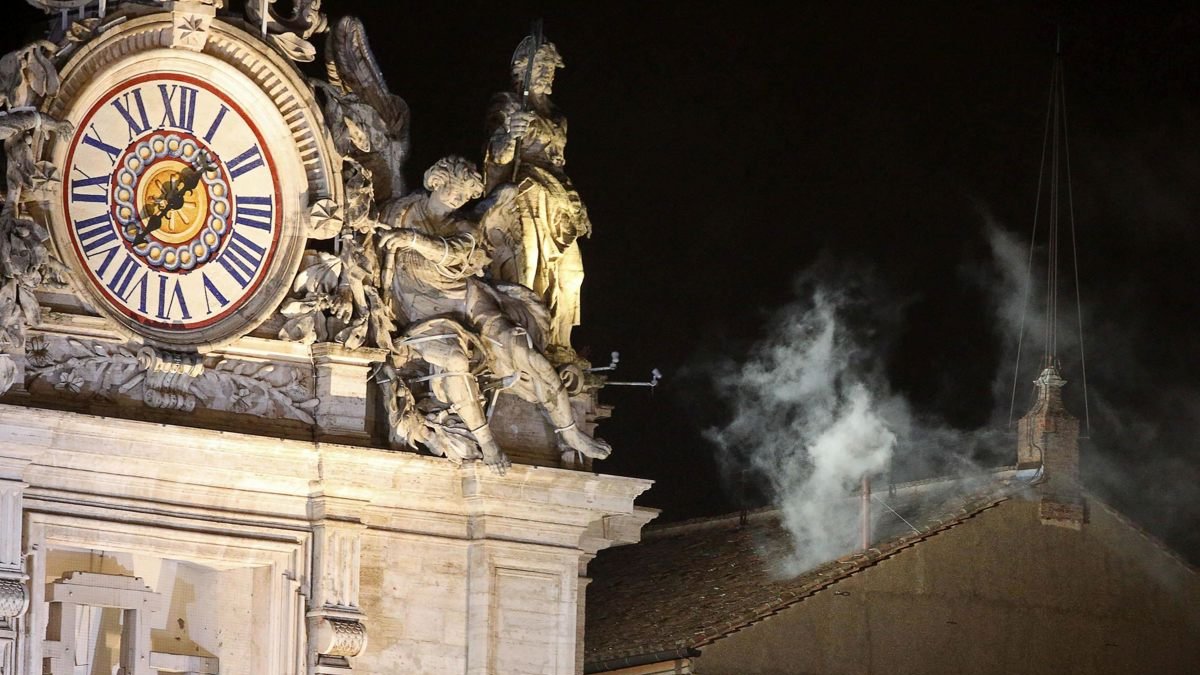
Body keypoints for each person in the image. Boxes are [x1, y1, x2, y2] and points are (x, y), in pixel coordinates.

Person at [378, 156, 611, 474]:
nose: (457, 200)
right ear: (435, 181)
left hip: (468, 301)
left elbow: (457, 252)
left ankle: (571, 433)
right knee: (456, 361)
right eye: (453, 192)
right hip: (422, 315)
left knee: (526, 352)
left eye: (463, 197)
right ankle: (487, 444)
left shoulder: (463, 227)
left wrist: (412, 240)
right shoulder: (400, 210)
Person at [483, 37, 589, 353]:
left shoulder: (558, 118)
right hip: (526, 197)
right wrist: (510, 134)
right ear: (520, 69)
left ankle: (561, 345)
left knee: (572, 275)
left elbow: (559, 164)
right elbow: (497, 156)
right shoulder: (507, 104)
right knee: (526, 269)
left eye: (550, 67)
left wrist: (576, 202)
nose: (547, 73)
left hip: (557, 201)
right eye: (540, 66)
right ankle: (525, 340)